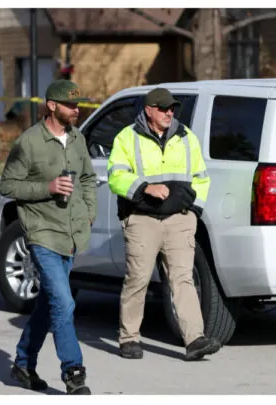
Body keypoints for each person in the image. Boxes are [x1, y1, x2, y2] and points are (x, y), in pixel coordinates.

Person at [0, 79, 97, 395]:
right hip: (42, 233)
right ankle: (74, 372)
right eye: (70, 105)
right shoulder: (29, 142)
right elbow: (8, 185)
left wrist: (89, 210)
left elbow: (87, 178)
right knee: (65, 303)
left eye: (78, 104)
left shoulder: (78, 139)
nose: (76, 109)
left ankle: (23, 363)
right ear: (52, 106)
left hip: (70, 234)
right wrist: (47, 188)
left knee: (49, 303)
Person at [107, 88, 220, 361]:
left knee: (183, 280)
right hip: (142, 219)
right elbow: (115, 176)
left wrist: (193, 212)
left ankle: (195, 339)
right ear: (149, 110)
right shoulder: (127, 137)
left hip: (179, 220)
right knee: (138, 280)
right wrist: (145, 188)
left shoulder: (186, 137)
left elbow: (201, 178)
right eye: (163, 108)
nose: (170, 113)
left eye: (172, 108)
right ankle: (129, 338)